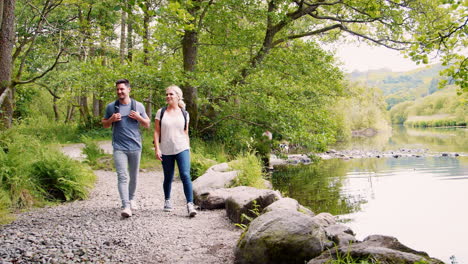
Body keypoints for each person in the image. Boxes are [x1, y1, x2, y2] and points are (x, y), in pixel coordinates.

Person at [102, 79, 150, 218]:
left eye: (122, 89)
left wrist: (139, 118)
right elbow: (104, 124)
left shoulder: (138, 106)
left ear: (129, 90)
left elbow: (147, 124)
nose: (119, 92)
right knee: (122, 176)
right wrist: (111, 119)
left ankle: (132, 198)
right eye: (117, 89)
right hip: (119, 146)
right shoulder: (111, 107)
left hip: (135, 146)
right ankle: (125, 205)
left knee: (134, 175)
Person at [153, 85, 197, 217]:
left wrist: (188, 148)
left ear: (178, 96)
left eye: (171, 94)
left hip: (182, 147)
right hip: (166, 148)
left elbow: (185, 132)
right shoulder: (161, 112)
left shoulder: (185, 113)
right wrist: (157, 148)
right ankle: (167, 200)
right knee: (168, 176)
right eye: (167, 94)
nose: (168, 96)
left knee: (185, 174)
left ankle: (190, 204)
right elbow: (156, 131)